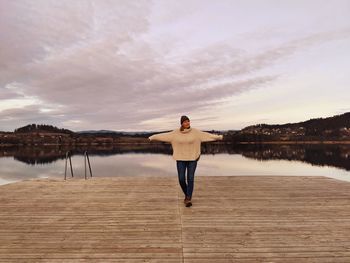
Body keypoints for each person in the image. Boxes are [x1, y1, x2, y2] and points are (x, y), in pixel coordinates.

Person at [148, 115, 223, 207]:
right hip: (180, 159)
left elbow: (207, 135)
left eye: (188, 121)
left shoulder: (195, 132)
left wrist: (218, 137)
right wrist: (152, 137)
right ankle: (187, 194)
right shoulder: (175, 133)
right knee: (181, 179)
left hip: (192, 158)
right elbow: (164, 135)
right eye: (185, 121)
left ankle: (188, 199)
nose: (187, 123)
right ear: (182, 123)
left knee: (190, 179)